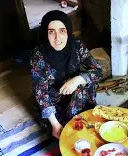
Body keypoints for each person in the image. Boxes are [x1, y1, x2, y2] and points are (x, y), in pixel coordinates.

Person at [30, 10, 103, 139]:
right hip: (53, 98)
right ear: (45, 34)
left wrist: (76, 80)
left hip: (73, 90)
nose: (57, 38)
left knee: (84, 84)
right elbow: (40, 91)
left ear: (68, 31)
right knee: (63, 132)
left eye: (62, 31)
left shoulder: (77, 46)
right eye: (51, 32)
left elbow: (97, 71)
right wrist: (55, 124)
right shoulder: (39, 55)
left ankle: (78, 117)